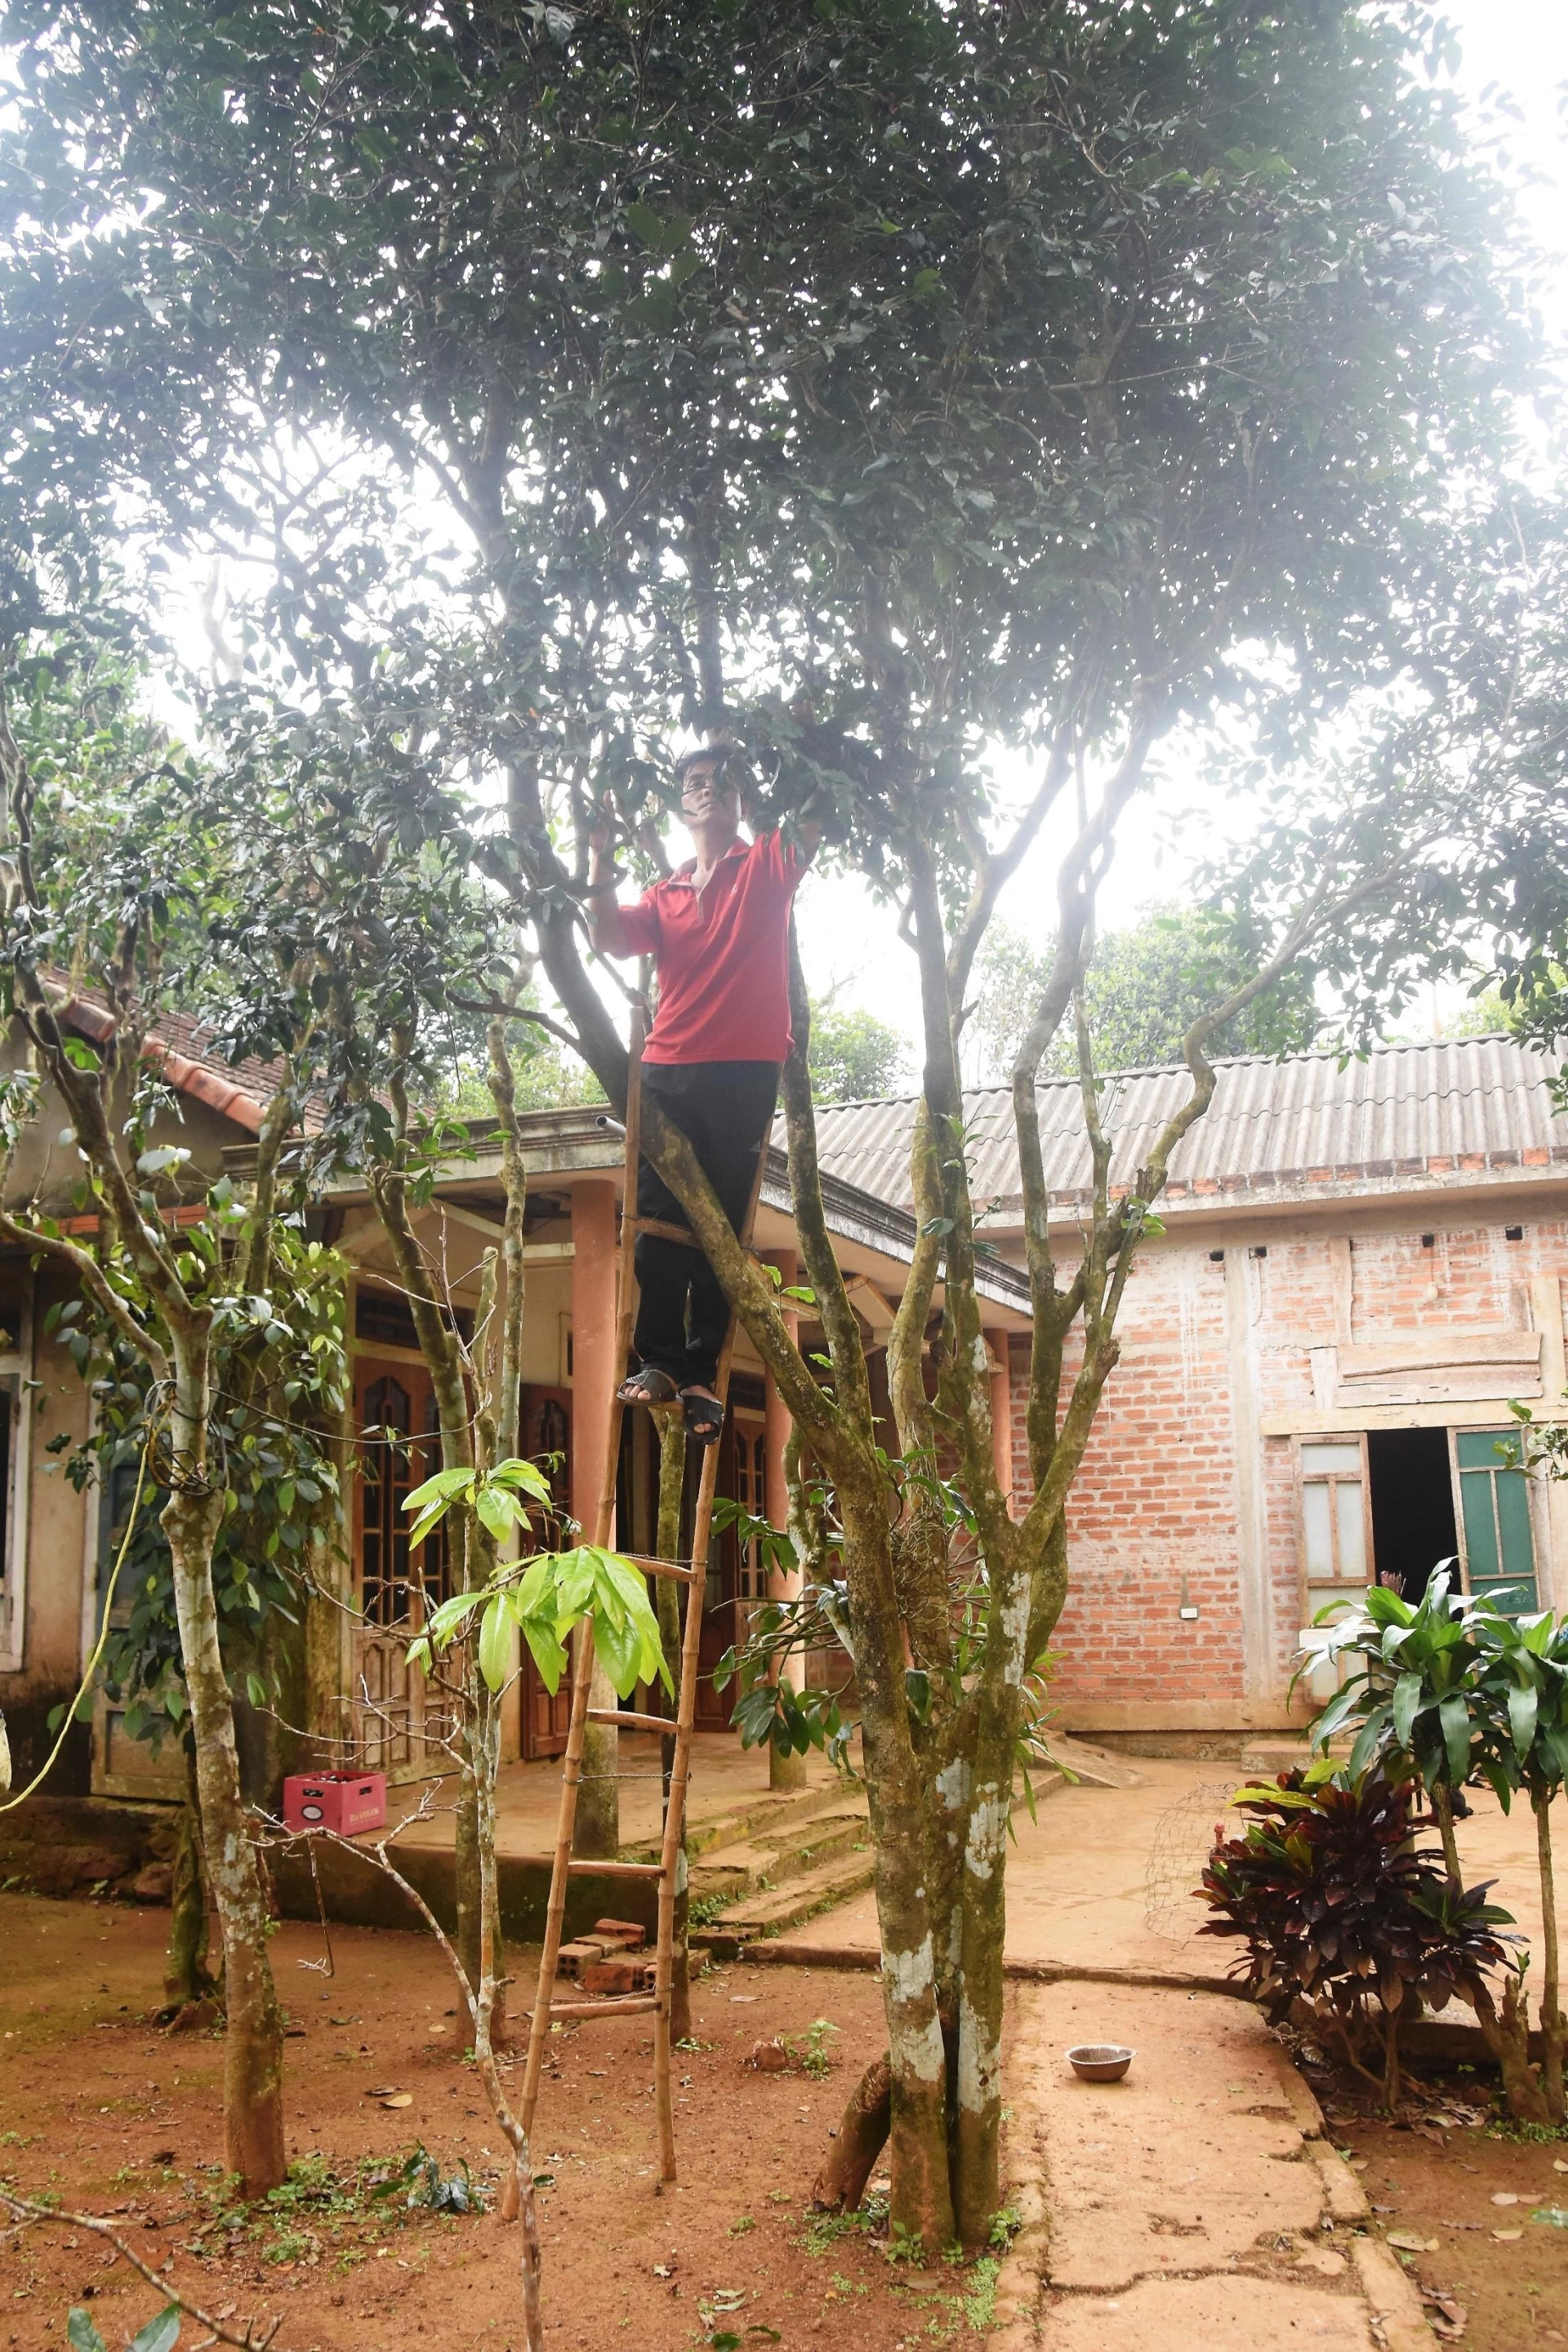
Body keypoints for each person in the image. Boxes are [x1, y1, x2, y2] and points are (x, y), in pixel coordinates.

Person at [585, 747, 817, 1443]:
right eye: (693, 783)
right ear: (680, 806)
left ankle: (700, 1376)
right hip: (668, 1066)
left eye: (720, 781)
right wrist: (598, 860)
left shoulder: (768, 864)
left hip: (744, 1071)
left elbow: (814, 820)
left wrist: (803, 738)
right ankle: (656, 1362)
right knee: (658, 1220)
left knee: (724, 1228)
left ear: (742, 799)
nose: (706, 790)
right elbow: (606, 935)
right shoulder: (667, 893)